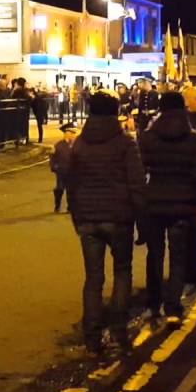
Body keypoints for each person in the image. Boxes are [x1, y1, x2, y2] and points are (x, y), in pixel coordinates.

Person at [66, 91, 147, 355]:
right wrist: (141, 221)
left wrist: (77, 216)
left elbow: (71, 183)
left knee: (93, 278)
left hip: (88, 219)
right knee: (122, 272)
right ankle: (118, 333)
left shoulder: (80, 143)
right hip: (119, 218)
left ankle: (92, 338)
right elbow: (137, 184)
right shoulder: (124, 143)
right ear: (115, 112)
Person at [137, 91, 196, 324]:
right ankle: (173, 308)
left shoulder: (147, 138)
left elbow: (141, 171)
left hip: (155, 200)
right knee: (178, 256)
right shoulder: (195, 138)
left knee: (155, 254)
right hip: (183, 203)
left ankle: (153, 303)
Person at [50, 122, 77, 212]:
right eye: (72, 133)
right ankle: (57, 206)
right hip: (61, 171)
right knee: (60, 188)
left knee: (71, 190)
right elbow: (53, 157)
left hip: (72, 172)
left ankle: (70, 207)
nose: (73, 135)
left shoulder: (76, 145)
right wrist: (54, 167)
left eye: (74, 133)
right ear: (66, 133)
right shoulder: (58, 145)